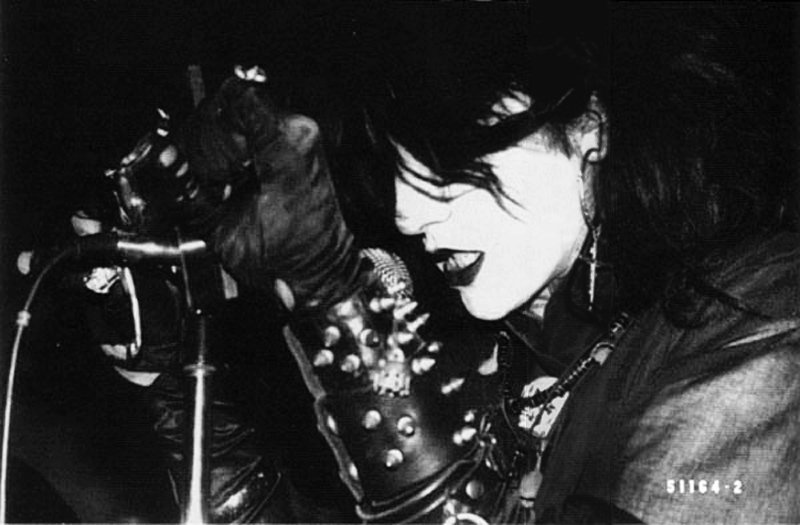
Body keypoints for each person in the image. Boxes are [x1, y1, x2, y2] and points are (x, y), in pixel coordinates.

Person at [175, 4, 800, 524]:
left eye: (446, 161)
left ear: (591, 126)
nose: (408, 215)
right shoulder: (490, 358)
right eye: (397, 167)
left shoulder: (762, 330)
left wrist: (337, 303)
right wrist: (172, 378)